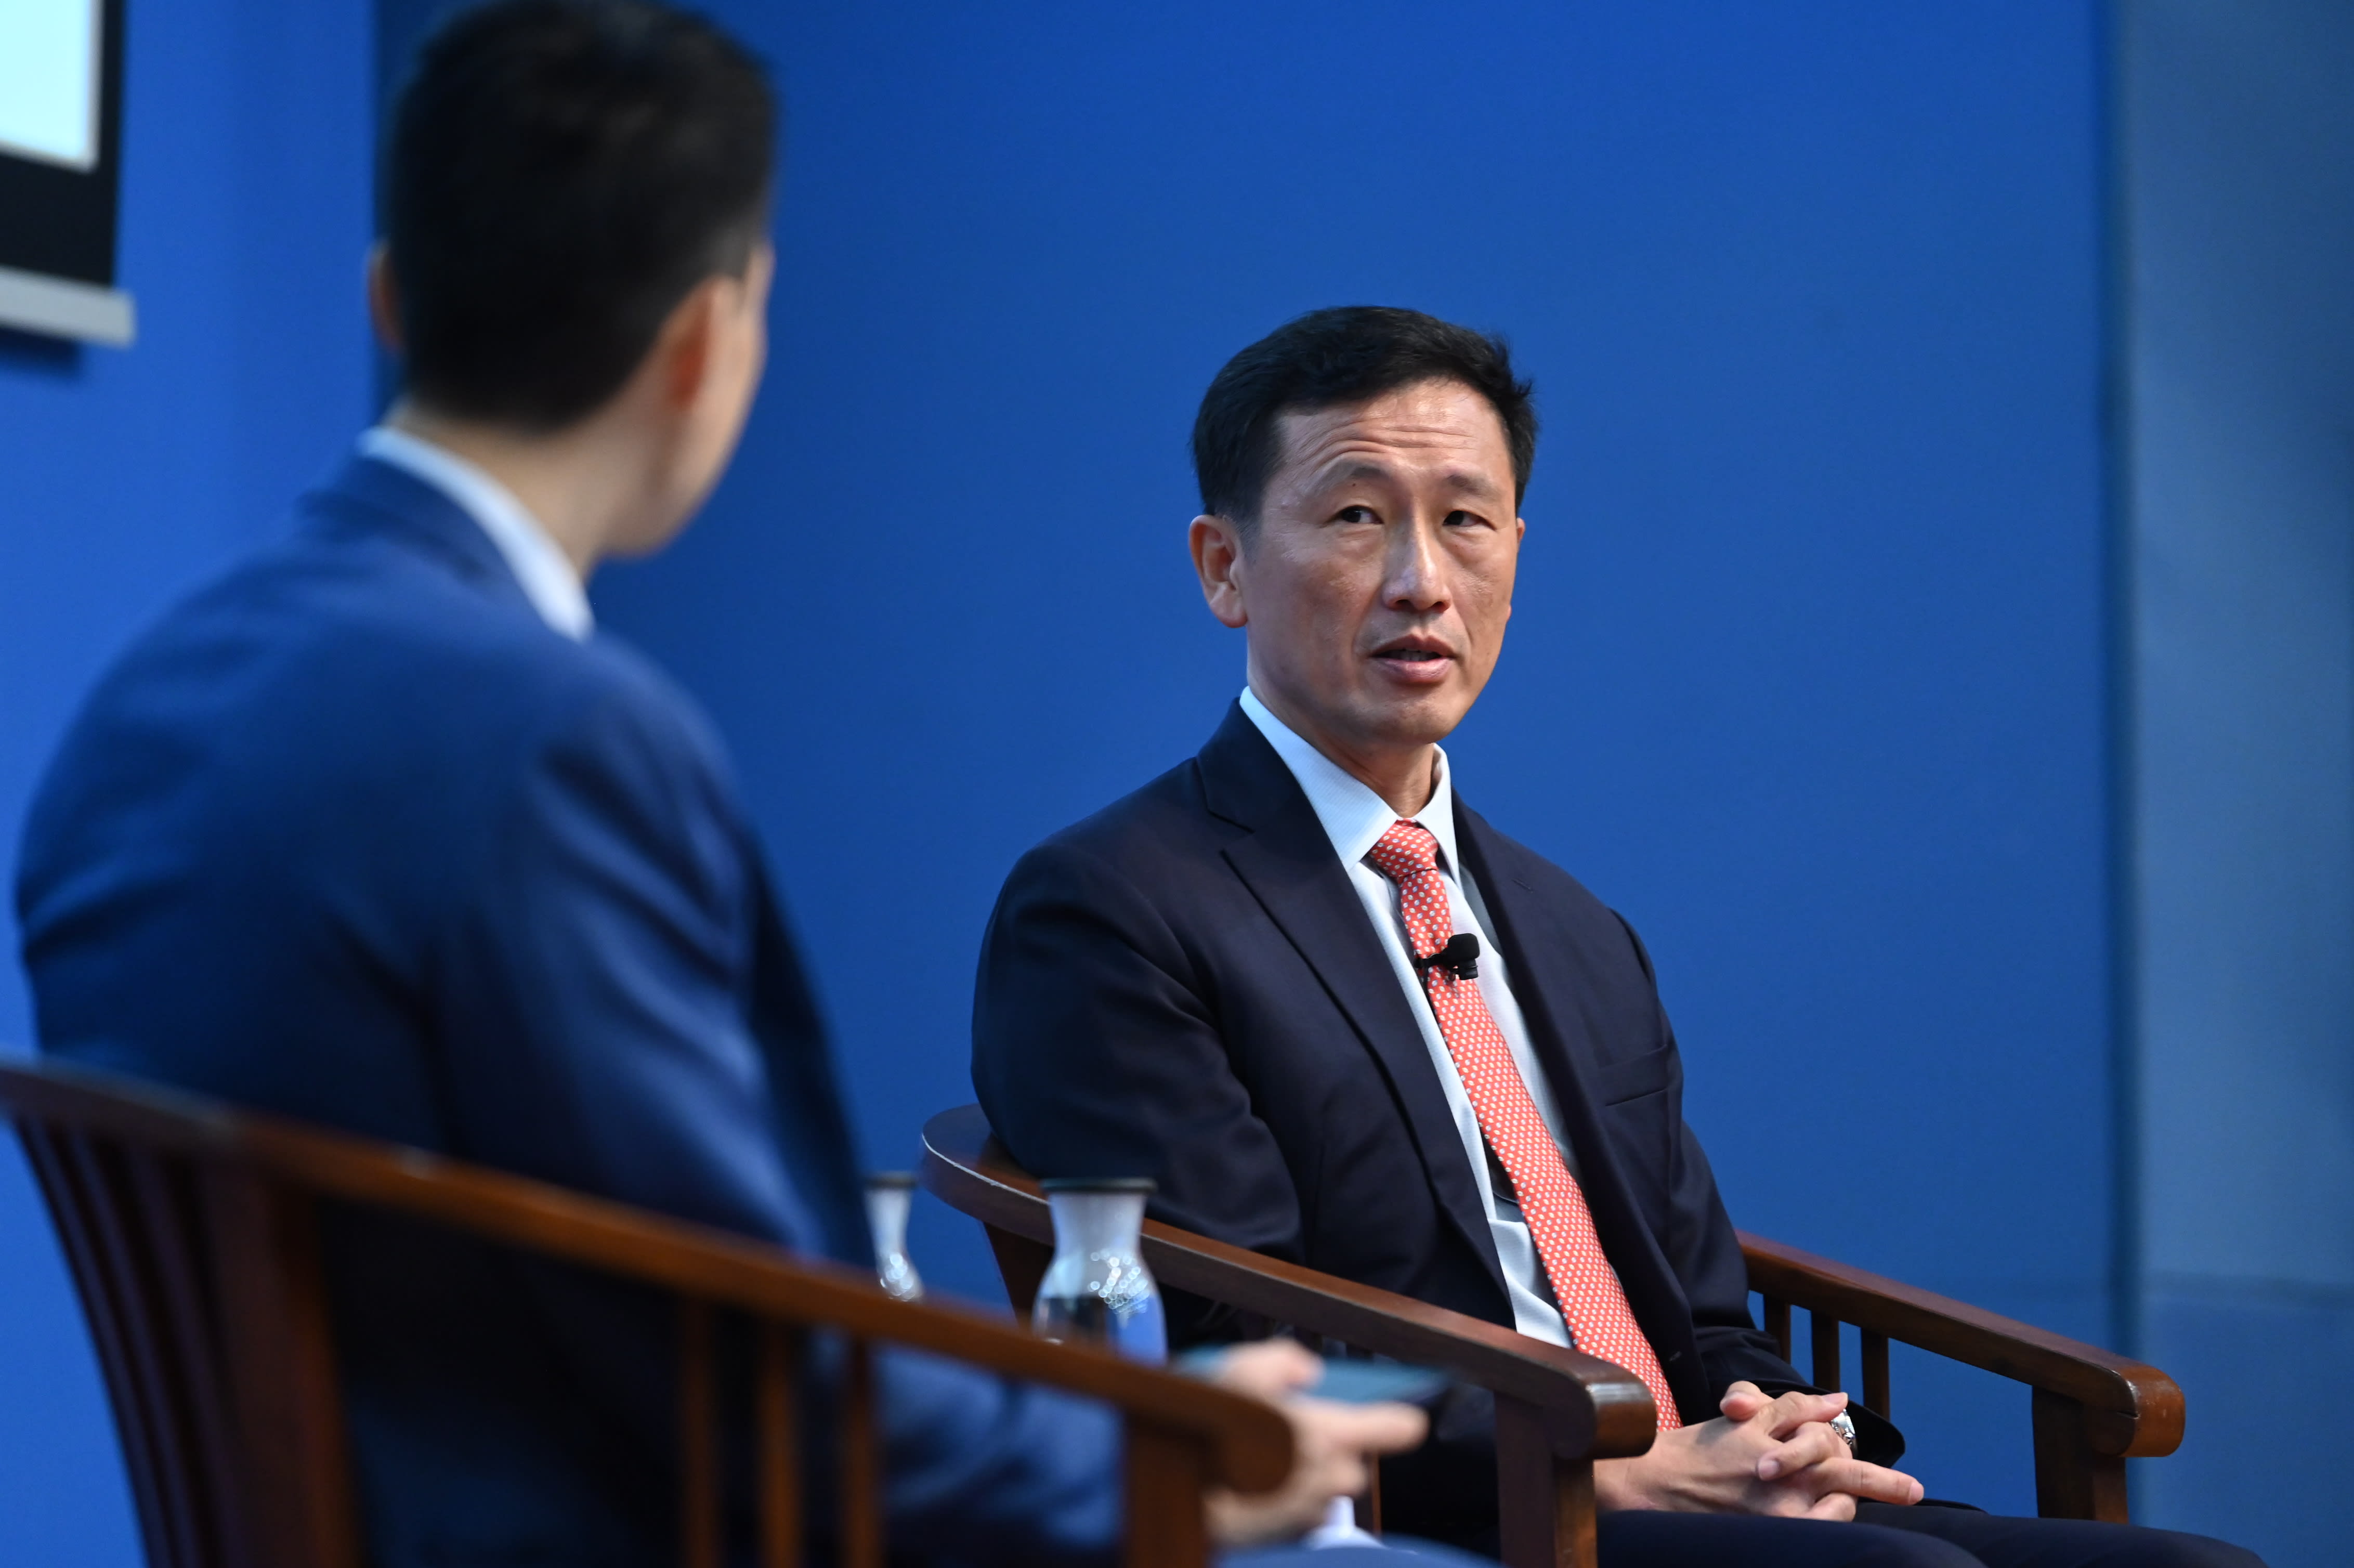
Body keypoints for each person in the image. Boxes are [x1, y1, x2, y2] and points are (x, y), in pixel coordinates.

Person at [12, 8, 1467, 1565]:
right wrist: (1167, 1465)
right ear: (709, 343)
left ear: (388, 296)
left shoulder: (139, 711)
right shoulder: (551, 738)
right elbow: (756, 1373)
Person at [970, 306, 2265, 1568]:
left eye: (1465, 519)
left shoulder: (1573, 931)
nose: (1421, 579)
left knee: (2193, 1565)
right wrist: (1598, 1463)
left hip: (1674, 1487)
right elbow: (1227, 1320)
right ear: (1223, 567)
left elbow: (1702, 1315)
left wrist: (1776, 1436)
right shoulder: (1112, 904)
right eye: (1357, 515)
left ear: (1516, 552)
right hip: (1428, 1508)